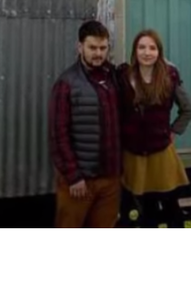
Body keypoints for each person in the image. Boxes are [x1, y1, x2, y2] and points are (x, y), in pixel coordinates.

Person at [48, 20, 123, 228]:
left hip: (110, 180)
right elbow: (58, 134)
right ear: (80, 47)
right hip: (80, 182)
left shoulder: (115, 78)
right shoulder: (67, 83)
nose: (98, 53)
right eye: (92, 48)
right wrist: (73, 177)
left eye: (103, 48)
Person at [117, 29, 191, 228]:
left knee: (171, 207)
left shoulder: (169, 76)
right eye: (141, 47)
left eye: (152, 48)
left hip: (161, 154)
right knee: (147, 210)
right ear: (135, 50)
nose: (146, 52)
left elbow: (187, 110)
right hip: (134, 155)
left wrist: (173, 132)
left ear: (159, 51)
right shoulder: (124, 76)